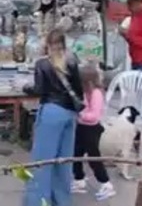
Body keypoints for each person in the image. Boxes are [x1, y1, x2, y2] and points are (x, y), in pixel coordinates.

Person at [23, 28, 84, 206]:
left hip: (50, 112)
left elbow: (39, 90)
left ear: (48, 45)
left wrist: (26, 88)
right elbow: (79, 91)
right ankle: (62, 200)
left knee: (43, 161)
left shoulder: (42, 64)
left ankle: (39, 201)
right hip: (69, 114)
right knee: (64, 161)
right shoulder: (72, 61)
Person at [71, 64, 115, 201]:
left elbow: (94, 116)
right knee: (76, 154)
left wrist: (80, 115)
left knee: (93, 158)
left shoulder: (96, 94)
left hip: (91, 129)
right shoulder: (84, 92)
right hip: (81, 127)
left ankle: (106, 184)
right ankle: (79, 179)